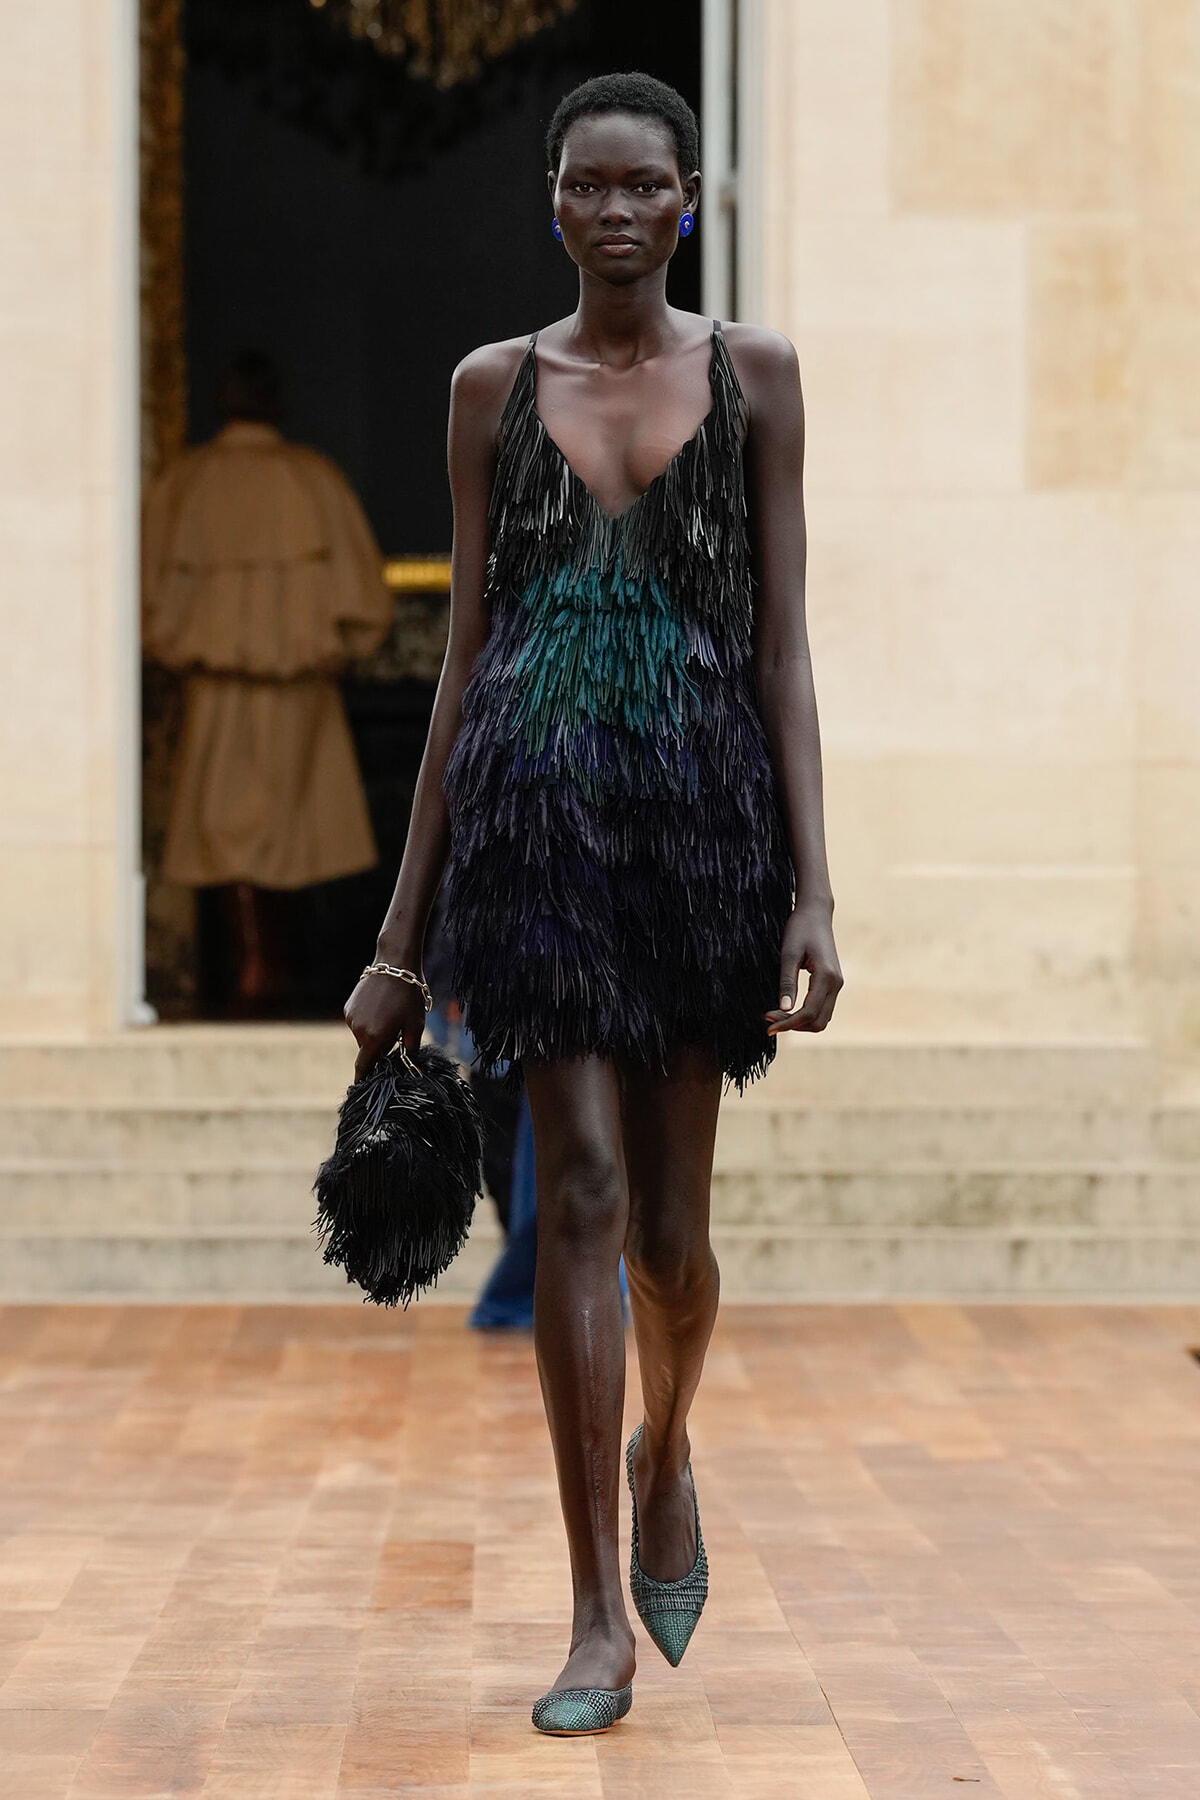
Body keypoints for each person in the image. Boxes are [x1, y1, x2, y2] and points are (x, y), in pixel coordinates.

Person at [344, 73, 842, 1735]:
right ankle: (592, 1622)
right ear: (553, 204)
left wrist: (816, 894)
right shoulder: (495, 388)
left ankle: (668, 1440)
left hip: (702, 843)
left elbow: (783, 647)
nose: (619, 211)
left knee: (677, 1244)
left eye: (648, 187)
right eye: (589, 187)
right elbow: (461, 666)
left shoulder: (753, 375)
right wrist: (401, 944)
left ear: (687, 199)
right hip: (531, 835)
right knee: (577, 1198)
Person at [142, 351, 392, 1006]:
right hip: (294, 694)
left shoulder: (186, 485)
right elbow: (366, 606)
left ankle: (262, 969)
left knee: (243, 836)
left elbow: (147, 605)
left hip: (217, 693)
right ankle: (264, 968)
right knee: (286, 835)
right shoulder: (314, 482)